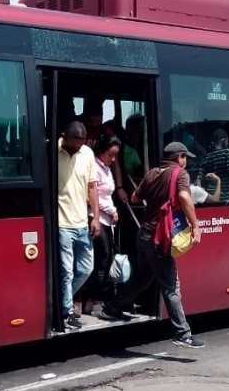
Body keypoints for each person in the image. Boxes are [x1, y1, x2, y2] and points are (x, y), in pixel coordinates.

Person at [101, 141, 204, 348]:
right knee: (171, 286)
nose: (186, 161)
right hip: (160, 238)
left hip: (144, 236)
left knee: (142, 279)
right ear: (178, 157)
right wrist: (195, 225)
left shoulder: (152, 174)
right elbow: (184, 196)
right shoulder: (180, 174)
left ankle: (113, 306)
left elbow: (134, 197)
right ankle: (182, 333)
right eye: (185, 157)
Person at [58, 121, 101, 330]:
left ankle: (61, 300)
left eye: (81, 144)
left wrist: (95, 217)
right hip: (62, 223)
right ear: (64, 136)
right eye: (75, 143)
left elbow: (92, 187)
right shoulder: (53, 150)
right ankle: (66, 312)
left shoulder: (87, 153)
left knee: (86, 268)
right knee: (66, 271)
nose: (78, 148)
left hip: (82, 222)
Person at [79, 134, 121, 309]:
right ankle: (91, 298)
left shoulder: (107, 168)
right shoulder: (95, 168)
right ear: (101, 151)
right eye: (110, 155)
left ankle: (97, 297)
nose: (113, 159)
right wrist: (112, 210)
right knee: (101, 259)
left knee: (107, 257)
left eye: (115, 155)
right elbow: (92, 195)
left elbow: (107, 194)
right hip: (96, 217)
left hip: (108, 220)